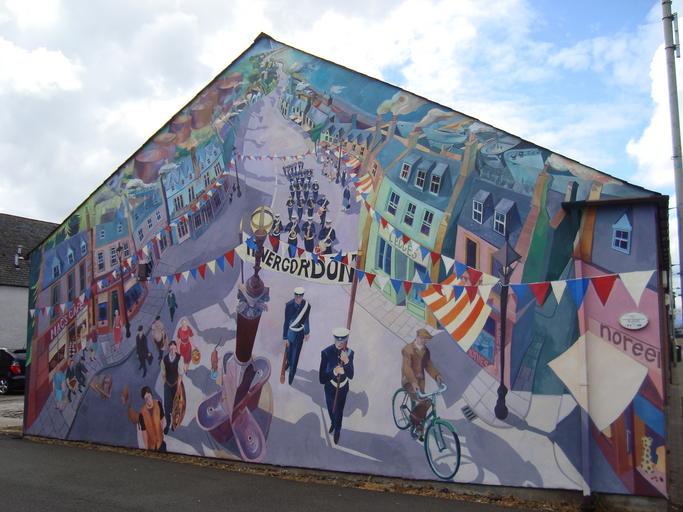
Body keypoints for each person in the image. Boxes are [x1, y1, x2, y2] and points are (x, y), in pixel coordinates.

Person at [401, 328, 443, 438]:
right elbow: (406, 368)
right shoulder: (408, 350)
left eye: (426, 340)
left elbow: (428, 365)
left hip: (420, 383)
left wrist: (436, 376)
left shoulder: (426, 351)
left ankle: (417, 421)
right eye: (423, 339)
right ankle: (415, 424)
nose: (425, 342)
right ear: (417, 337)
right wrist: (413, 382)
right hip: (409, 381)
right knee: (424, 401)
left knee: (427, 401)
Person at [319, 327, 355, 445]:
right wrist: (334, 371)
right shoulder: (326, 353)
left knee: (339, 412)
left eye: (342, 340)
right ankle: (333, 423)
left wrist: (347, 362)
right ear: (334, 338)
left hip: (343, 388)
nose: (339, 343)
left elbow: (351, 375)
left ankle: (337, 430)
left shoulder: (350, 353)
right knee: (331, 410)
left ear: (346, 340)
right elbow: (322, 379)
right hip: (330, 388)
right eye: (337, 340)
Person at [281, 287, 311, 385]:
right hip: (290, 333)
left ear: (302, 296)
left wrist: (307, 332)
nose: (298, 298)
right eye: (296, 296)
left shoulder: (307, 306)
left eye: (300, 296)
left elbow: (306, 320)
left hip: (299, 334)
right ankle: (288, 363)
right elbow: (286, 322)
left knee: (295, 357)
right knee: (289, 354)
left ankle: (291, 376)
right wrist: (285, 337)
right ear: (294, 295)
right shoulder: (289, 305)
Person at [161, 341, 182, 435]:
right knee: (166, 406)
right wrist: (165, 384)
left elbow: (180, 375)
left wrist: (178, 387)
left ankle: (174, 423)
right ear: (169, 349)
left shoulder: (180, 358)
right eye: (171, 348)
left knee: (176, 406)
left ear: (176, 348)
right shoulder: (164, 359)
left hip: (176, 384)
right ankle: (168, 423)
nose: (173, 350)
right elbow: (163, 374)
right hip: (167, 385)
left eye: (174, 348)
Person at [138, 386, 166, 451]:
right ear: (144, 399)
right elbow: (144, 432)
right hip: (151, 446)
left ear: (151, 395)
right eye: (146, 398)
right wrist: (146, 448)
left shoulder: (158, 404)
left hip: (161, 442)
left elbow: (162, 419)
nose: (148, 400)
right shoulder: (141, 414)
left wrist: (162, 431)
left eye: (149, 396)